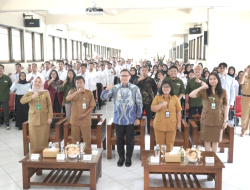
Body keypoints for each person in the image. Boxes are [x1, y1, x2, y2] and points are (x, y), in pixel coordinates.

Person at [100, 69, 143, 167]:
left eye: (126, 76)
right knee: (119, 139)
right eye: (122, 76)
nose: (124, 78)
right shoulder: (115, 88)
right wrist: (106, 89)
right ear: (119, 77)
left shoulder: (135, 88)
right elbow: (103, 98)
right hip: (118, 118)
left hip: (130, 119)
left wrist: (138, 118)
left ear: (129, 77)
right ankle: (121, 157)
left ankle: (128, 158)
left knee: (130, 140)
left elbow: (139, 103)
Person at [189, 72, 228, 152]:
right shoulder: (205, 91)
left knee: (215, 140)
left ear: (218, 80)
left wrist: (225, 120)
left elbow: (225, 106)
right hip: (206, 119)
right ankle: (207, 157)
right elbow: (191, 95)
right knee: (206, 140)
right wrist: (201, 87)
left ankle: (213, 158)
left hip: (218, 119)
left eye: (214, 79)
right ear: (208, 80)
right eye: (210, 79)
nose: (212, 81)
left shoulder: (223, 92)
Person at [20, 76, 53, 150]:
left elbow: (50, 105)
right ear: (33, 82)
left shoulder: (46, 92)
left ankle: (44, 157)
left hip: (44, 120)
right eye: (35, 81)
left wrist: (50, 117)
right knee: (34, 139)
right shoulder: (30, 92)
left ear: (42, 83)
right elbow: (22, 101)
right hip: (33, 119)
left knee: (44, 139)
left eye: (39, 82)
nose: (37, 83)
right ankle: (34, 156)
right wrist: (32, 97)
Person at [66, 76, 96, 153]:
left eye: (81, 82)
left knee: (87, 140)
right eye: (77, 83)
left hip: (85, 120)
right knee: (75, 140)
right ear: (75, 84)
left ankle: (87, 155)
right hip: (75, 121)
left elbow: (92, 106)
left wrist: (84, 115)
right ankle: (75, 155)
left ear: (84, 83)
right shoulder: (72, 91)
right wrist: (77, 92)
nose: (79, 84)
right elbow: (68, 99)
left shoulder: (89, 93)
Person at [151, 80, 182, 152]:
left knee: (170, 144)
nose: (166, 88)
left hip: (171, 124)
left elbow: (178, 111)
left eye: (168, 86)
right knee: (159, 143)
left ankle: (168, 159)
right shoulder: (157, 97)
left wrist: (179, 123)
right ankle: (160, 159)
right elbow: (152, 109)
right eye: (164, 86)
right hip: (159, 124)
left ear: (171, 88)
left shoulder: (175, 98)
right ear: (161, 88)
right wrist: (161, 104)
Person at [134, 66, 157, 134]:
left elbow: (155, 89)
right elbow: (132, 87)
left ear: (148, 71)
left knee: (149, 116)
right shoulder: (137, 79)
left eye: (145, 70)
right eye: (142, 70)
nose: (144, 72)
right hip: (139, 101)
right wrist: (138, 80)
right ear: (140, 71)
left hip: (149, 100)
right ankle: (138, 131)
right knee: (139, 116)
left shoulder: (151, 80)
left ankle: (150, 131)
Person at [238, 66, 250, 137]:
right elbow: (240, 82)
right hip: (245, 98)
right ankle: (244, 130)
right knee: (245, 116)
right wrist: (244, 72)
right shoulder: (245, 77)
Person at [0, 65, 12, 130]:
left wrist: (7, 92)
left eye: (1, 68)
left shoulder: (7, 78)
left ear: (3, 70)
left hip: (5, 98)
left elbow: (11, 87)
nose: (0, 70)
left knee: (6, 111)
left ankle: (7, 123)